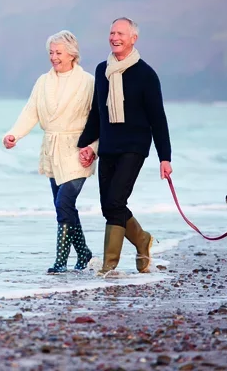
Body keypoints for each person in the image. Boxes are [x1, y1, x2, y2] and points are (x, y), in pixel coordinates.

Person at [77, 17, 173, 274]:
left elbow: (158, 118)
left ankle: (109, 265)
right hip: (108, 145)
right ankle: (142, 240)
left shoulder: (146, 74)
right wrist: (83, 145)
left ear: (133, 38)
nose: (114, 37)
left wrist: (165, 157)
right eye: (111, 33)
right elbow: (97, 113)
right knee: (108, 205)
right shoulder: (102, 70)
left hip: (134, 146)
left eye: (120, 33)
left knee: (116, 201)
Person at [3, 30, 99, 274]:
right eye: (51, 52)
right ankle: (85, 254)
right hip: (52, 149)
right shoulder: (43, 82)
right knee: (63, 206)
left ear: (71, 54)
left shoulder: (87, 81)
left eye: (58, 53)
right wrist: (14, 134)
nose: (53, 57)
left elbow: (97, 119)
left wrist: (93, 148)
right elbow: (31, 111)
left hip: (78, 150)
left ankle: (60, 261)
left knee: (64, 201)